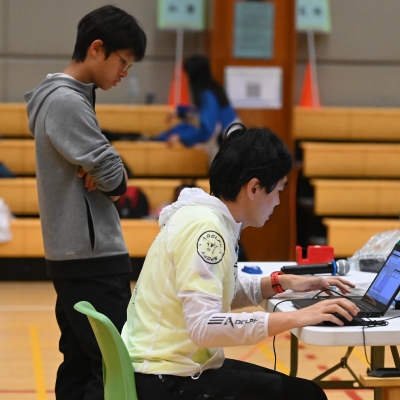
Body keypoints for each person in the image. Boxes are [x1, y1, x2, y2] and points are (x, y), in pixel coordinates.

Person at [122, 122, 360, 400]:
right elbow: (203, 327)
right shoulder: (207, 230)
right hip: (166, 381)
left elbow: (215, 293)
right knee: (306, 396)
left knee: (299, 390)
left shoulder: (206, 218)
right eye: (279, 190)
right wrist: (298, 316)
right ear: (254, 188)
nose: (279, 202)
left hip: (165, 369)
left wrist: (280, 282)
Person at [24, 5, 146, 400]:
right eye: (122, 62)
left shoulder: (65, 98)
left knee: (80, 363)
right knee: (111, 365)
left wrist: (103, 164)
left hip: (76, 254)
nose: (124, 74)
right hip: (91, 257)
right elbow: (115, 177)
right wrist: (110, 172)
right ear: (97, 49)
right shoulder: (66, 101)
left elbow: (105, 165)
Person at [155, 55, 240, 162]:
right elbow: (202, 114)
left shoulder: (208, 96)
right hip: (231, 147)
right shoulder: (213, 89)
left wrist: (181, 137)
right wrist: (180, 111)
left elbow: (207, 131)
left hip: (229, 153)